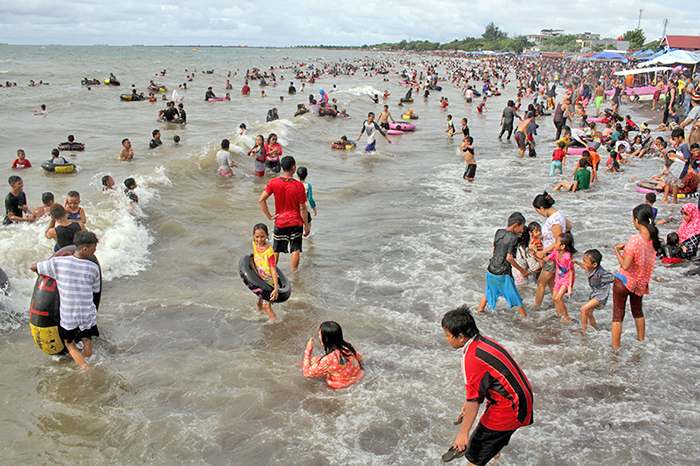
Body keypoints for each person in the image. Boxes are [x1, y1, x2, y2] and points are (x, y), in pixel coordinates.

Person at [441, 306, 533, 465]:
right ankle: (494, 459)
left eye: (448, 335)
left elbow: (474, 400)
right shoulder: (482, 343)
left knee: (473, 455)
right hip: (521, 399)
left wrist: (463, 433)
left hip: (510, 408)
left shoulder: (471, 357)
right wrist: (468, 400)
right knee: (492, 442)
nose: (447, 339)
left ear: (461, 337)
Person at [30, 231, 101, 369]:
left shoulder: (58, 263)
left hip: (69, 313)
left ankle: (85, 368)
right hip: (87, 311)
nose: (95, 250)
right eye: (94, 247)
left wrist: (40, 272)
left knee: (69, 343)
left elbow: (34, 267)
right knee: (87, 338)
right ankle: (89, 359)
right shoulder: (94, 268)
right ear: (85, 249)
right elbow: (95, 291)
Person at [612, 204, 660, 348]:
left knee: (618, 316)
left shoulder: (635, 239)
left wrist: (616, 251)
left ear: (637, 221)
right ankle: (641, 342)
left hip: (624, 281)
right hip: (640, 282)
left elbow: (625, 265)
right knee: (638, 312)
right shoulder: (653, 240)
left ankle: (615, 349)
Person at [258, 156, 310, 271]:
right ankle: (294, 276)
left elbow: (261, 200)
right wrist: (306, 225)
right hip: (295, 222)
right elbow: (302, 208)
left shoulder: (273, 182)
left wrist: (270, 216)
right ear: (293, 167)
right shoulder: (299, 186)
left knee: (276, 250)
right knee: (295, 250)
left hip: (280, 221)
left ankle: (271, 273)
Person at [476, 212, 529, 317]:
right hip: (502, 272)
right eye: (522, 227)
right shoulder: (513, 238)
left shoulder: (499, 232)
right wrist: (522, 270)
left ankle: (479, 312)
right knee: (516, 297)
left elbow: (494, 249)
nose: (522, 231)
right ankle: (526, 319)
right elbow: (509, 258)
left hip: (491, 269)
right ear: (515, 226)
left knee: (489, 291)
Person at [533, 191, 572, 308]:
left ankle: (536, 309)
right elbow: (569, 227)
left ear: (542, 208)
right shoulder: (559, 213)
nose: (539, 213)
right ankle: (559, 309)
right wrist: (546, 236)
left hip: (552, 255)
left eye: (537, 211)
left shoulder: (554, 220)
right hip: (554, 254)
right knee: (551, 284)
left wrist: (543, 252)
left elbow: (558, 242)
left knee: (541, 283)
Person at [303, 321, 364, 389]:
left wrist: (308, 349)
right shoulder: (347, 347)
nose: (319, 337)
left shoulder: (329, 359)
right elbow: (360, 359)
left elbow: (306, 373)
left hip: (341, 385)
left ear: (326, 339)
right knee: (317, 359)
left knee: (313, 360)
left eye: (319, 335)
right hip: (358, 376)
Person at [573, 249, 615, 334]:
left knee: (583, 309)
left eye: (585, 262)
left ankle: (583, 330)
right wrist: (577, 263)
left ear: (594, 264)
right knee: (588, 313)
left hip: (601, 295)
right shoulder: (590, 268)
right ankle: (594, 329)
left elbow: (614, 278)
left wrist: (626, 278)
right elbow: (584, 267)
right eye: (583, 260)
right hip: (595, 294)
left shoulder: (601, 273)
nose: (583, 263)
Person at [544, 232, 576, 323]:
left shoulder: (567, 257)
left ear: (563, 246)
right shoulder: (556, 252)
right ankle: (560, 315)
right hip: (559, 278)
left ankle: (567, 317)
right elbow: (546, 259)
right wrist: (535, 254)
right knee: (554, 297)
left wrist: (569, 286)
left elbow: (570, 271)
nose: (554, 244)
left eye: (556, 242)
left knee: (558, 298)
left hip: (567, 279)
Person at [251, 223, 279, 321]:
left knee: (266, 306)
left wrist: (275, 288)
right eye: (257, 237)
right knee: (258, 302)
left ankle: (277, 324)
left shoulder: (269, 252)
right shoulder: (254, 244)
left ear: (267, 235)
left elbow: (273, 269)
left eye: (262, 237)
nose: (259, 239)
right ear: (253, 236)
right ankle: (261, 319)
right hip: (260, 280)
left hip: (269, 282)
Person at [296, 166, 317, 232]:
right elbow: (310, 199)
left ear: (297, 175)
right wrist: (314, 208)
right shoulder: (308, 185)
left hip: (295, 207)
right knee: (308, 223)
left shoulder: (294, 183)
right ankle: (307, 235)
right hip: (305, 208)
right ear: (306, 175)